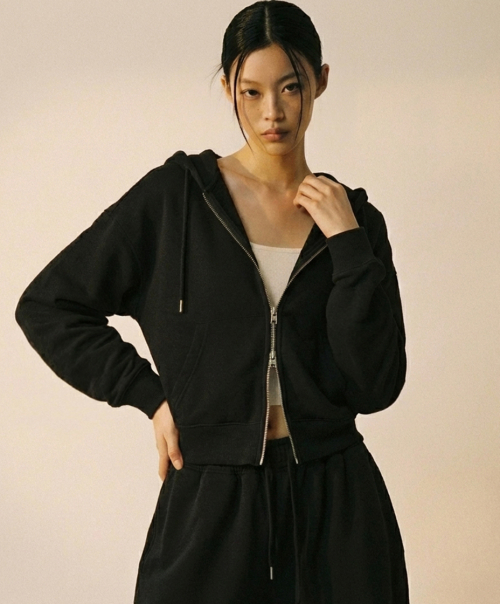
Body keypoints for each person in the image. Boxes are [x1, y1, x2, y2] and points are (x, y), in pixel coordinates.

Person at [15, 1, 410, 602]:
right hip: (211, 501)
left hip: (337, 505)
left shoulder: (355, 221)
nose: (272, 112)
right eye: (251, 92)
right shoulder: (178, 199)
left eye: (291, 87)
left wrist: (350, 248)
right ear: (227, 86)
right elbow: (48, 304)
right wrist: (149, 397)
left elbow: (377, 387)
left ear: (321, 81)